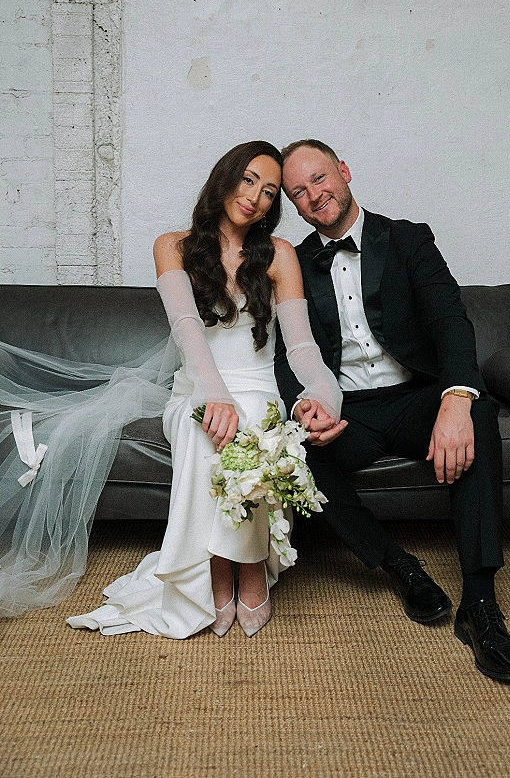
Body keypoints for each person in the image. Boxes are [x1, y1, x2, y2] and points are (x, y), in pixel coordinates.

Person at [66, 141, 344, 639]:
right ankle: (219, 569)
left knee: (260, 427)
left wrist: (326, 397)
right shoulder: (171, 246)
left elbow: (302, 349)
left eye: (270, 191)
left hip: (259, 389)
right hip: (196, 387)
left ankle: (252, 565)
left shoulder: (279, 255)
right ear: (225, 178)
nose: (256, 196)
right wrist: (213, 397)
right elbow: (187, 330)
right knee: (205, 432)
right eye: (248, 180)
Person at [274, 139, 510, 682]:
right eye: (299, 191)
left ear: (343, 171)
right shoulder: (292, 263)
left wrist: (457, 397)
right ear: (294, 206)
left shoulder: (409, 239)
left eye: (319, 178)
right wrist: (307, 407)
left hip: (416, 397)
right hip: (349, 409)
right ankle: (398, 565)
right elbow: (288, 355)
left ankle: (480, 604)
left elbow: (450, 322)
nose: (314, 195)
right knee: (292, 452)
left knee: (480, 414)